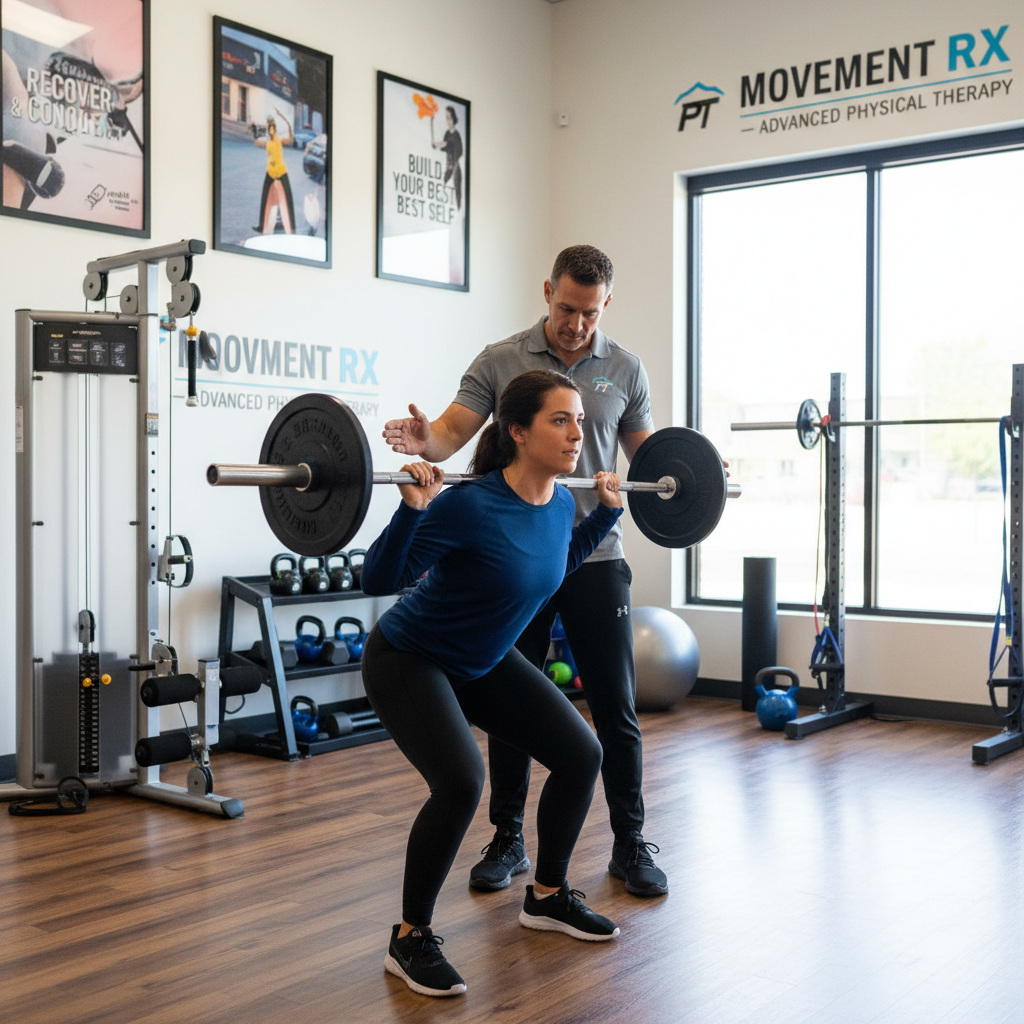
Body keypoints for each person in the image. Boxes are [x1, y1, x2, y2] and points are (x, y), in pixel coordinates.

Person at [382, 244, 669, 899]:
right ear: (548, 292)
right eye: (567, 308)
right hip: (512, 562)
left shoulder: (625, 368)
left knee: (615, 710)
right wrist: (423, 441)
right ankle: (506, 838)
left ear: (606, 306)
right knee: (511, 701)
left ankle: (629, 843)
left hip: (593, 556)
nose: (576, 324)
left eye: (589, 313)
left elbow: (649, 456)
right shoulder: (500, 359)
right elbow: (452, 433)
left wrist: (697, 467)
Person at [361, 370, 624, 997]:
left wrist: (604, 518)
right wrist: (410, 510)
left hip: (481, 658)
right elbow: (379, 578)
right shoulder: (471, 504)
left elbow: (555, 565)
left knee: (581, 753)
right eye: (560, 420)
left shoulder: (561, 501)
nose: (576, 433)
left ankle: (548, 895)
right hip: (410, 655)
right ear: (517, 432)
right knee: (460, 781)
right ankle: (410, 937)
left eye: (579, 420)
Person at [253, 108, 295, 234]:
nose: (271, 131)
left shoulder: (280, 141)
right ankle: (262, 225)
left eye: (273, 128)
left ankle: (291, 227)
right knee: (265, 198)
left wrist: (287, 123)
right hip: (270, 172)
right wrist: (255, 131)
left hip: (281, 172)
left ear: (275, 130)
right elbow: (257, 142)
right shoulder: (267, 143)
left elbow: (290, 139)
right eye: (269, 129)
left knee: (287, 199)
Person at [430, 105, 463, 209]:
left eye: (449, 118)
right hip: (448, 168)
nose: (447, 121)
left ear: (453, 119)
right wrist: (436, 144)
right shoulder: (447, 134)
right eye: (446, 118)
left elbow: (456, 149)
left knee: (457, 195)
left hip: (455, 169)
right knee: (444, 189)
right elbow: (445, 143)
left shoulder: (456, 135)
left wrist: (439, 144)